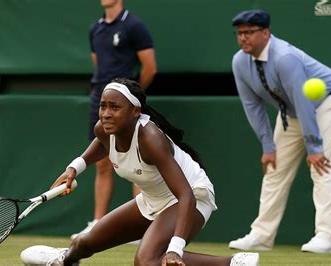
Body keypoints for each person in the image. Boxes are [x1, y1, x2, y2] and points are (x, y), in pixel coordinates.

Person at [20, 78, 260, 266]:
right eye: (103, 106)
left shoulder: (150, 138)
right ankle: (63, 261)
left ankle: (234, 263)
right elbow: (99, 146)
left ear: (135, 111)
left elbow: (185, 194)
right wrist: (73, 169)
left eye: (115, 107)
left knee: (146, 261)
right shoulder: (105, 128)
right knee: (84, 242)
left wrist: (175, 249)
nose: (106, 113)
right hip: (152, 200)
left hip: (191, 198)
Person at [228, 9, 331, 254]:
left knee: (321, 166)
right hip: (293, 112)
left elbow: (303, 100)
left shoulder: (285, 57)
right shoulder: (239, 62)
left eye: (249, 33)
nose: (243, 38)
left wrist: (314, 147)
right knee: (274, 169)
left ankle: (327, 237)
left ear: (266, 33)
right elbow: (252, 106)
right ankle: (261, 236)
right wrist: (267, 147)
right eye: (240, 33)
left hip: (329, 101)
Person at [72, 0, 157, 240]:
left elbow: (150, 67)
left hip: (126, 103)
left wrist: (132, 99)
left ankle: (143, 226)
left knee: (138, 162)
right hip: (99, 97)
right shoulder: (95, 29)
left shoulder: (134, 26)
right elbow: (96, 61)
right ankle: (97, 223)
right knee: (102, 163)